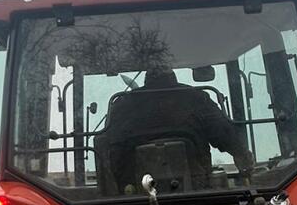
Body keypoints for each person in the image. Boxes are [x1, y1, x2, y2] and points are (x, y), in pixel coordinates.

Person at [96, 67, 253, 191]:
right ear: (173, 77)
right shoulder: (197, 99)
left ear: (146, 79)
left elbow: (109, 151)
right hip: (197, 197)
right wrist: (242, 155)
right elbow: (224, 133)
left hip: (137, 199)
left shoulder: (123, 106)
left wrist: (122, 185)